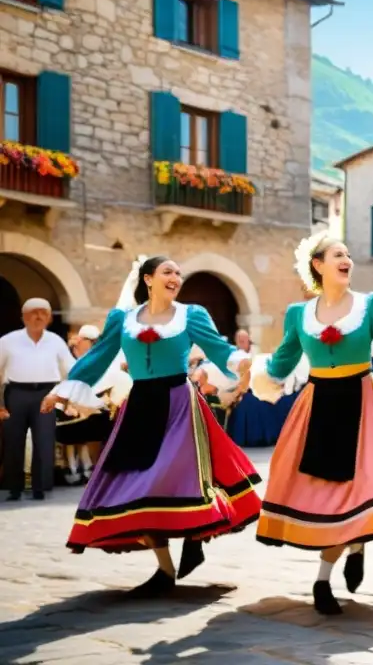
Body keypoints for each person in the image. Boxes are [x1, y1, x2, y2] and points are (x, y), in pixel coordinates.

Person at [42, 256, 262, 597]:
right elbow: (98, 357)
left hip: (178, 405)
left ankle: (195, 536)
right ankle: (165, 568)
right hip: (140, 405)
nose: (175, 277)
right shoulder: (123, 319)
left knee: (176, 478)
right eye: (167, 271)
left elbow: (219, 349)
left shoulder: (191, 315)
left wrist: (239, 360)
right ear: (148, 279)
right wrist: (61, 391)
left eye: (178, 273)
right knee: (134, 486)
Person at [251, 233, 373, 616]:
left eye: (349, 254)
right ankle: (342, 560)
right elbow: (282, 362)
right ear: (318, 265)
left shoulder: (370, 305)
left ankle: (326, 575)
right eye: (338, 254)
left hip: (363, 402)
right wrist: (249, 375)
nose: (347, 259)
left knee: (363, 486)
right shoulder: (299, 315)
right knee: (327, 494)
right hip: (318, 405)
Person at [0, 298, 76, 500]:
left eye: (43, 312)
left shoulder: (56, 341)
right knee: (13, 441)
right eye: (33, 312)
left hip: (46, 394)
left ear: (50, 318)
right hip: (16, 393)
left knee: (44, 441)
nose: (38, 316)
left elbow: (70, 369)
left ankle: (40, 487)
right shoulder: (7, 341)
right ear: (23, 317)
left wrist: (63, 396)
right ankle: (14, 488)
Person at [56, 325, 119, 484]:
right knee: (84, 439)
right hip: (79, 407)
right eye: (90, 341)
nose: (93, 344)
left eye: (95, 341)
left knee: (100, 440)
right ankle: (81, 470)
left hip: (102, 407)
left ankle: (96, 471)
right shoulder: (72, 360)